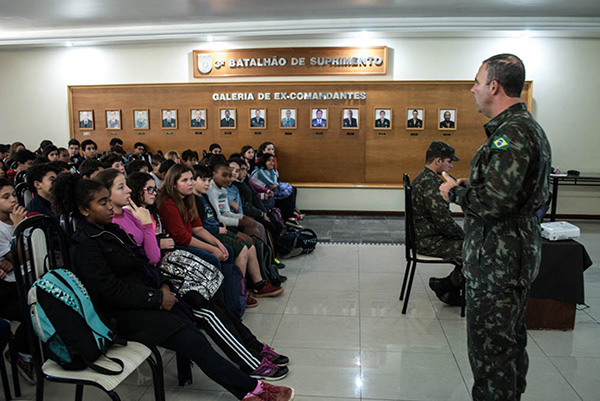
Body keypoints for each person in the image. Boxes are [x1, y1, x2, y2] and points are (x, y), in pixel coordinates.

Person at [52, 174, 295, 401]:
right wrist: (158, 297)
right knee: (195, 341)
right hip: (125, 314)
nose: (108, 207)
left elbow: (142, 264)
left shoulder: (109, 230)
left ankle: (253, 359)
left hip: (147, 297)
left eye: (108, 200)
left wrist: (165, 287)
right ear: (84, 210)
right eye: (102, 202)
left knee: (206, 302)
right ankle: (253, 390)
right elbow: (109, 292)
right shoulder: (85, 244)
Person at [439, 53, 551, 401]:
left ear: (494, 86)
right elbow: (507, 191)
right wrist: (473, 185)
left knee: (492, 356)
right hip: (507, 256)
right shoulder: (520, 128)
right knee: (508, 347)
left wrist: (455, 192)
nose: (472, 89)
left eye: (476, 82)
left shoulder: (511, 134)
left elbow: (497, 203)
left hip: (497, 261)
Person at [127, 171, 288, 378]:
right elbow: (153, 255)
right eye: (184, 179)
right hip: (162, 274)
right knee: (209, 306)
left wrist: (216, 244)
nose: (191, 183)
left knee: (216, 299)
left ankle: (253, 345)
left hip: (168, 266)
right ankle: (251, 361)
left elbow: (194, 229)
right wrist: (156, 238)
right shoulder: (144, 213)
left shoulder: (155, 209)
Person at [412, 141, 463, 306]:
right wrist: (463, 235)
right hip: (428, 240)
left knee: (471, 247)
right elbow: (443, 222)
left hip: (424, 236)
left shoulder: (424, 178)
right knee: (474, 251)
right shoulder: (431, 183)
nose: (451, 166)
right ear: (438, 161)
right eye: (449, 161)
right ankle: (446, 286)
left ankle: (447, 286)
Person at [0, 178, 35, 384]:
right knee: (32, 313)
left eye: (14, 194)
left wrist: (14, 257)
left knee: (48, 304)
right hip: (8, 287)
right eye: (6, 197)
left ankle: (29, 351)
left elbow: (34, 251)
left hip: (26, 277)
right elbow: (20, 256)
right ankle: (18, 353)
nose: (13, 199)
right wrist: (18, 227)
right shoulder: (12, 224)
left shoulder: (20, 218)